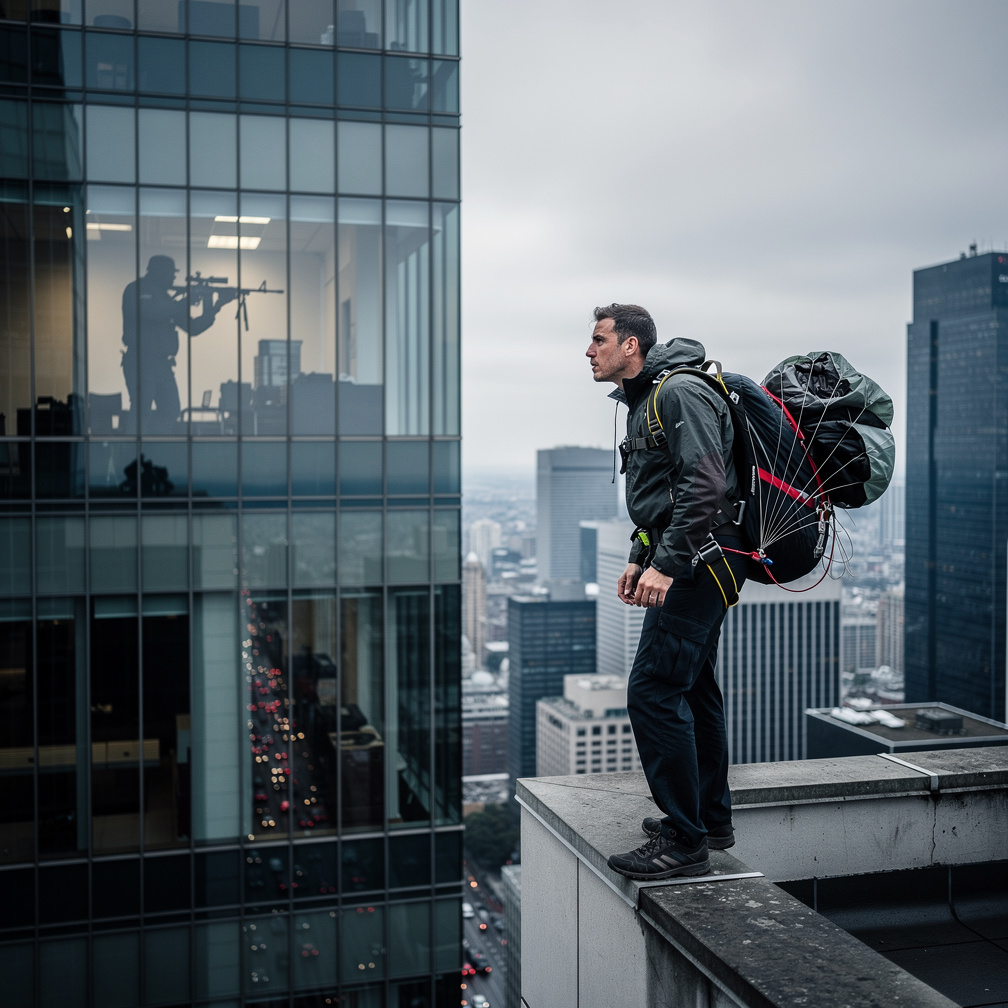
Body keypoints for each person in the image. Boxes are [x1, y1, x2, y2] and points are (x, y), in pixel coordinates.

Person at [586, 303, 749, 880]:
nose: (589, 351)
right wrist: (640, 555)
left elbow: (704, 484)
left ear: (631, 346)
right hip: (696, 556)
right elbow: (663, 493)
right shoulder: (646, 401)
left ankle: (685, 838)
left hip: (702, 559)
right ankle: (710, 818)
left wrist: (669, 564)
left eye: (600, 340)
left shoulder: (677, 393)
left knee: (653, 691)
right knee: (694, 686)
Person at [121, 255, 235, 433]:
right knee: (142, 410)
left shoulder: (168, 299)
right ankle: (132, 452)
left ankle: (154, 448)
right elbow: (151, 313)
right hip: (140, 361)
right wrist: (187, 300)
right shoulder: (136, 290)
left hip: (162, 365)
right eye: (170, 273)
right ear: (158, 272)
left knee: (171, 409)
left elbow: (193, 327)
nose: (174, 277)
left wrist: (215, 305)